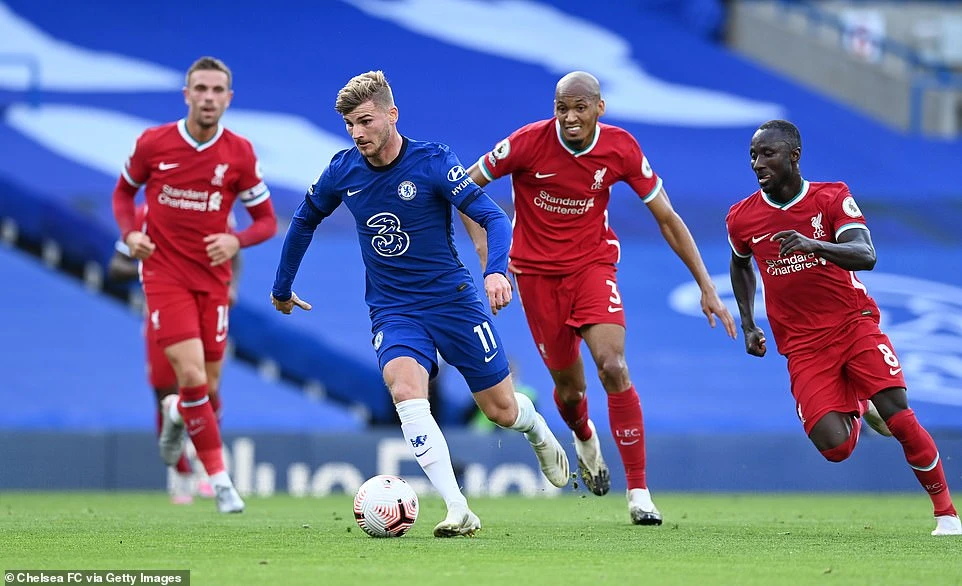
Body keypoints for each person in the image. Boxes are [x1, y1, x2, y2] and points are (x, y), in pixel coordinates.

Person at [270, 70, 570, 537]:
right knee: (406, 391)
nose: (357, 133)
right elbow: (305, 219)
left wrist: (495, 270)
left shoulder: (433, 161)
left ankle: (535, 429)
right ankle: (457, 507)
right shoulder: (342, 171)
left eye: (365, 121)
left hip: (452, 302)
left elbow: (493, 216)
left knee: (501, 411)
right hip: (394, 309)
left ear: (392, 114)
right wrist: (282, 285)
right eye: (349, 124)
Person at [460, 71, 736, 525]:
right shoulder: (527, 143)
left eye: (580, 107)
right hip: (536, 277)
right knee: (571, 392)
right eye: (561, 108)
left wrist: (706, 285)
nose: (570, 117)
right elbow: (465, 189)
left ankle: (639, 493)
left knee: (613, 365)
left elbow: (667, 217)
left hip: (592, 267)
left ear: (599, 108)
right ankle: (584, 435)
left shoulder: (620, 148)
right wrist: (488, 254)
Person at [727, 119, 960, 537]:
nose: (757, 163)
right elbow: (740, 263)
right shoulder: (742, 217)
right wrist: (748, 323)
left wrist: (816, 245)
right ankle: (860, 405)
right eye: (753, 155)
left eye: (767, 154)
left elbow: (865, 253)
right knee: (834, 447)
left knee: (899, 415)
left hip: (853, 324)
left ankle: (946, 515)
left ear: (794, 156)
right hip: (802, 345)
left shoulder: (831, 197)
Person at [112, 56, 278, 514]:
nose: (208, 98)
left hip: (213, 282)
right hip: (164, 275)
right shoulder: (153, 143)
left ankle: (174, 413)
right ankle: (220, 481)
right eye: (200, 89)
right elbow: (123, 193)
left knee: (208, 385)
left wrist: (236, 239)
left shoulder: (239, 153)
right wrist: (130, 235)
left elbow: (266, 221)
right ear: (186, 95)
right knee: (190, 377)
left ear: (229, 98)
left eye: (217, 90)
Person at [107, 205, 242, 504]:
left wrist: (231, 286)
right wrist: (153, 265)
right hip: (163, 312)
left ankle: (208, 470)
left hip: (207, 305)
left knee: (208, 388)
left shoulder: (214, 205)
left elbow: (234, 251)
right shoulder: (145, 214)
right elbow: (116, 267)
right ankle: (181, 475)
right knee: (164, 392)